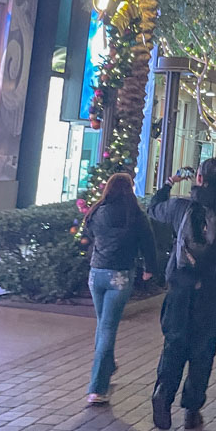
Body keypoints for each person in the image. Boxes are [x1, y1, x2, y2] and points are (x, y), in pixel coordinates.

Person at [148, 158, 216, 431]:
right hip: (209, 290)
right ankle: (192, 407)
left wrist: (169, 184)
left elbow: (153, 208)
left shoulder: (179, 207)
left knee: (174, 343)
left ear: (198, 178)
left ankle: (163, 394)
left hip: (180, 288)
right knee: (203, 350)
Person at [82, 172, 157, 406]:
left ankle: (107, 366)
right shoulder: (135, 215)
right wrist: (150, 269)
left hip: (96, 273)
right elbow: (148, 242)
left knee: (103, 323)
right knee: (107, 327)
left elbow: (87, 235)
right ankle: (97, 386)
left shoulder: (97, 211)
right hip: (120, 276)